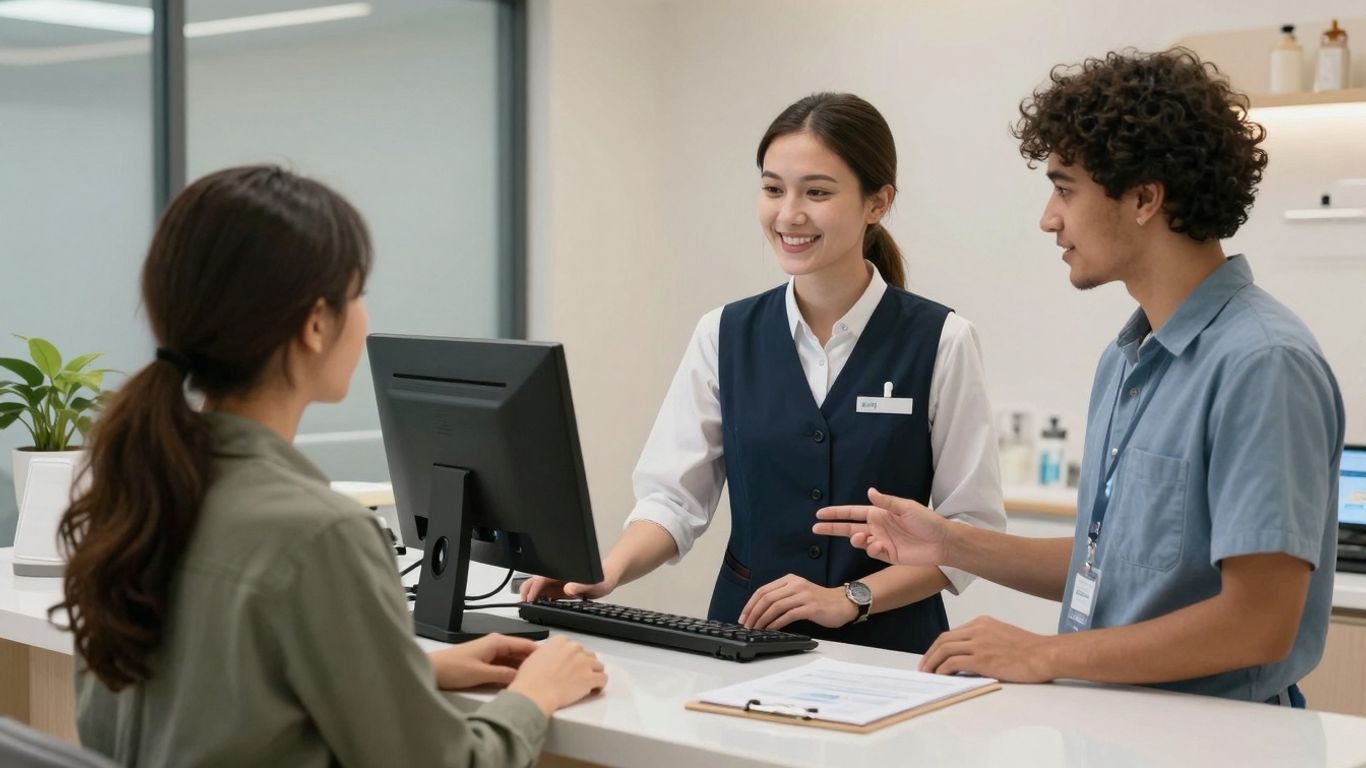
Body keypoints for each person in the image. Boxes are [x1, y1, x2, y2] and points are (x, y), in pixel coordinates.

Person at [815, 49, 1344, 705]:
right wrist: (951, 543)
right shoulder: (1126, 359)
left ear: (1145, 198)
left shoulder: (1262, 364)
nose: (1049, 217)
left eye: (1065, 189)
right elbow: (1113, 561)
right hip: (1110, 722)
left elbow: (1259, 622)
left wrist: (1042, 653)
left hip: (1218, 736)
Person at [53, 166, 607, 766]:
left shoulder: (135, 497)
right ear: (316, 324)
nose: (364, 315)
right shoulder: (320, 535)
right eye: (357, 293)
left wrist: (406, 673)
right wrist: (536, 694)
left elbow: (211, 701)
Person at [523, 93, 1006, 653]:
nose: (789, 215)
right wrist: (605, 572)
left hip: (890, 653)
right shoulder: (722, 334)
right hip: (742, 642)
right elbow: (674, 500)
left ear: (878, 202)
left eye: (817, 192)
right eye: (774, 189)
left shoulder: (942, 340)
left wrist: (852, 597)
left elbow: (971, 531)